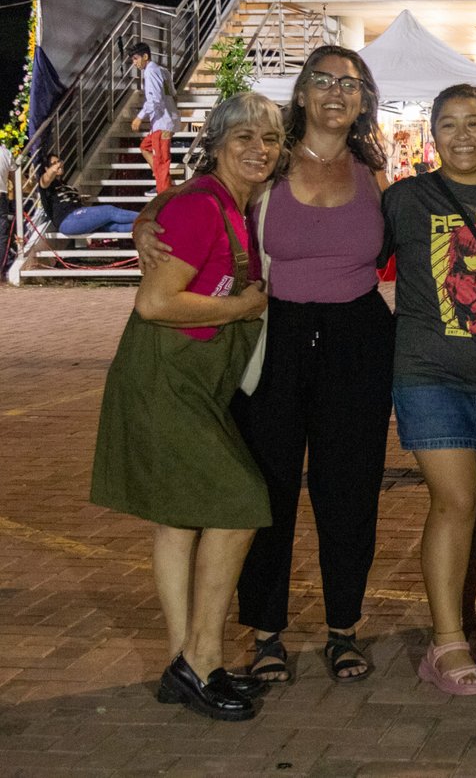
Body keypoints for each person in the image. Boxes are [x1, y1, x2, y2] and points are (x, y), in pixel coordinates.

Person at [140, 45, 394, 684]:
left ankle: (343, 630)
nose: (336, 92)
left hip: (359, 339)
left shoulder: (375, 174)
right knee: (266, 488)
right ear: (302, 93)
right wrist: (147, 215)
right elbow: (201, 197)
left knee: (350, 488)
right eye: (322, 80)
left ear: (363, 101)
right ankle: (266, 632)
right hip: (271, 336)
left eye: (351, 83)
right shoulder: (269, 167)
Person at [90, 92, 281, 721]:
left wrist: (152, 213)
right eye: (245, 138)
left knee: (179, 520)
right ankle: (203, 657)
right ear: (218, 143)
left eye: (271, 140)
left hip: (186, 382)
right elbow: (155, 303)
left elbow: (166, 212)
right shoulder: (205, 207)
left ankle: (183, 664)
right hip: (164, 381)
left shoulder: (222, 204)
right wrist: (242, 307)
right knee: (240, 502)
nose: (259, 149)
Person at [383, 84, 476, 694]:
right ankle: (447, 644)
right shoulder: (402, 200)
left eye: (474, 123)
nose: (462, 136)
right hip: (429, 374)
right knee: (457, 501)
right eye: (448, 125)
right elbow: (338, 249)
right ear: (432, 135)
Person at [35, 154, 140, 234]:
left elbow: (62, 200)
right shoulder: (45, 184)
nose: (59, 164)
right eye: (54, 163)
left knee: (112, 226)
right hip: (68, 220)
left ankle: (148, 226)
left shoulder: (63, 184)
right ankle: (149, 217)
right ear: (46, 169)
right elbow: (46, 178)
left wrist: (78, 197)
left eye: (59, 161)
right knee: (109, 211)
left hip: (75, 217)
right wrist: (55, 167)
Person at [131, 42, 180, 196]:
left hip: (162, 123)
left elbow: (155, 100)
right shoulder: (163, 71)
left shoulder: (150, 72)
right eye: (133, 59)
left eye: (136, 58)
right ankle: (162, 179)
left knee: (161, 160)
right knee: (145, 147)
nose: (135, 62)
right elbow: (173, 93)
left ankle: (163, 192)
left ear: (145, 56)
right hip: (166, 121)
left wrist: (139, 117)